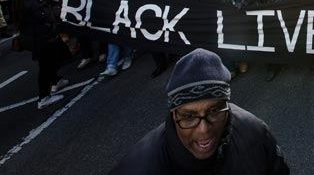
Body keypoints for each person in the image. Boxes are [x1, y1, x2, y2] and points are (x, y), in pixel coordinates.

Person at [111, 49, 289, 174]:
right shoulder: (138, 167)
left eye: (214, 111)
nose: (204, 129)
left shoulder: (255, 132)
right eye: (189, 116)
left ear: (226, 106)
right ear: (174, 114)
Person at [13, 0, 70, 109]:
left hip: (39, 38)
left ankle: (57, 80)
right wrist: (56, 2)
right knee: (45, 67)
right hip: (42, 39)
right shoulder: (32, 0)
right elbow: (48, 16)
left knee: (55, 59)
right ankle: (43, 98)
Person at [256, 0, 296, 82]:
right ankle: (271, 65)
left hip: (282, 11)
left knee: (281, 37)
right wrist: (260, 4)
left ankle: (281, 62)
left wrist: (282, 0)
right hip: (266, 11)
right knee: (269, 38)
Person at [97, 0, 139, 77]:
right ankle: (111, 66)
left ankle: (128, 56)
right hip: (110, 14)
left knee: (125, 36)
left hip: (125, 14)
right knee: (112, 38)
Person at [138, 0, 175, 78]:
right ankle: (160, 64)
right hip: (149, 14)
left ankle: (172, 54)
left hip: (164, 13)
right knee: (152, 38)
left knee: (168, 36)